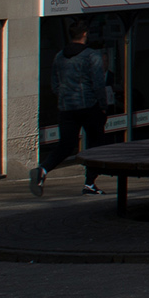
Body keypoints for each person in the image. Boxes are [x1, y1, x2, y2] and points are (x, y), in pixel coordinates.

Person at [41, 22, 114, 197]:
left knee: (66, 144)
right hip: (89, 106)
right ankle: (90, 182)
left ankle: (43, 169)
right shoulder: (91, 56)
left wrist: (65, 97)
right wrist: (103, 106)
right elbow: (98, 84)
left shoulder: (59, 56)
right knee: (96, 144)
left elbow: (54, 85)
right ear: (84, 34)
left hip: (67, 108)